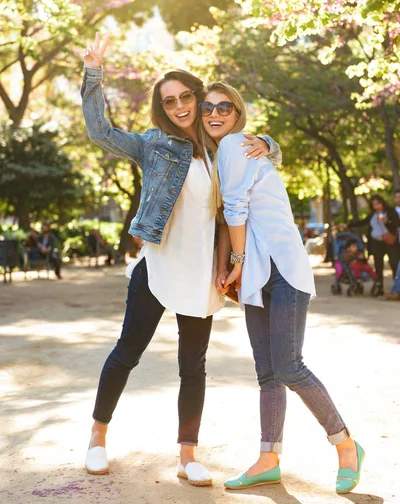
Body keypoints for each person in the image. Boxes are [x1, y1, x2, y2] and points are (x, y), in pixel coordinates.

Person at [81, 33, 281, 483]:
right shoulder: (153, 145)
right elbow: (100, 132)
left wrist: (268, 143)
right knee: (127, 352)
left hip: (201, 273)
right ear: (163, 108)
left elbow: (265, 155)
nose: (180, 107)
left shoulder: (223, 149)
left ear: (197, 95)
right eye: (169, 101)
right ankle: (97, 437)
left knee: (194, 366)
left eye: (186, 96)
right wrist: (94, 74)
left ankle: (187, 455)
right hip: (157, 266)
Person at [199, 81, 364, 495]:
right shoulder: (221, 155)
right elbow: (225, 219)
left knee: (289, 366)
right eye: (207, 108)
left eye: (225, 106)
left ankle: (346, 445)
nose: (215, 113)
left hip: (282, 268)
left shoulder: (236, 146)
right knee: (268, 372)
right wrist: (231, 267)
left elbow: (236, 209)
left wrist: (234, 263)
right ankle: (268, 459)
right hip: (256, 275)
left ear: (238, 115)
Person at [348, 195, 399, 295]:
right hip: (376, 242)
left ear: (382, 203)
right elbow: (363, 222)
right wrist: (349, 225)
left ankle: (397, 287)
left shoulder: (390, 211)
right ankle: (379, 286)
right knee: (378, 265)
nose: (377, 206)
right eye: (374, 205)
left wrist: (387, 221)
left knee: (394, 263)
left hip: (389, 241)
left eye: (378, 204)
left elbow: (397, 223)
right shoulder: (373, 215)